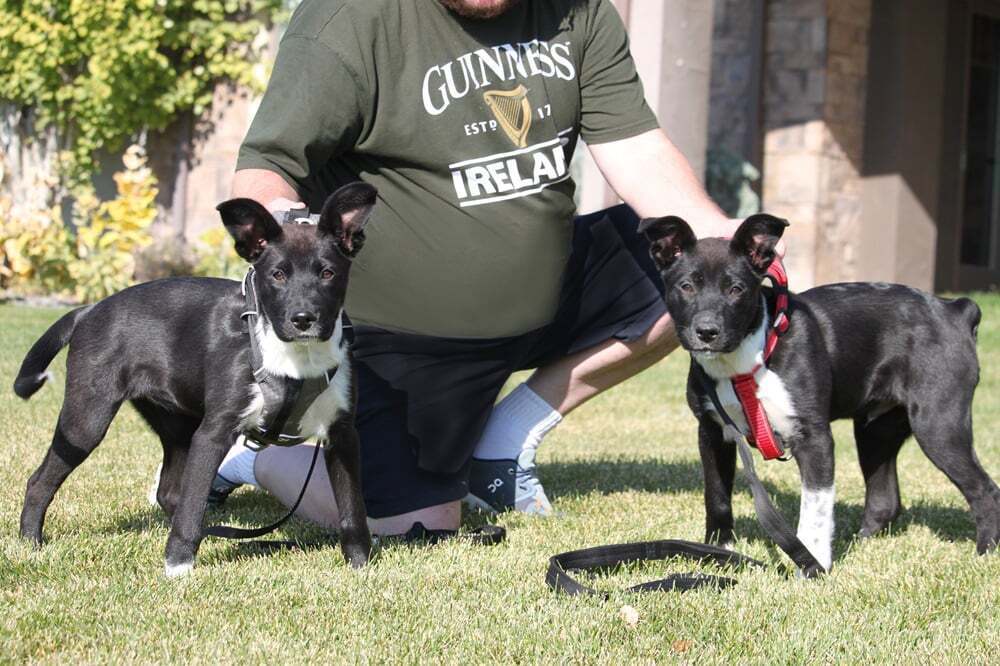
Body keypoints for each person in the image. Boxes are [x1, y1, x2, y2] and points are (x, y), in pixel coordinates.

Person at [201, 0, 738, 535]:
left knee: (687, 273)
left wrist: (721, 233)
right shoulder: (348, 18)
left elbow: (635, 147)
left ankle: (504, 442)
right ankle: (253, 456)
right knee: (411, 526)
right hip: (403, 338)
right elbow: (267, 168)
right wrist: (285, 230)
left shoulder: (580, 10)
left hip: (547, 294)